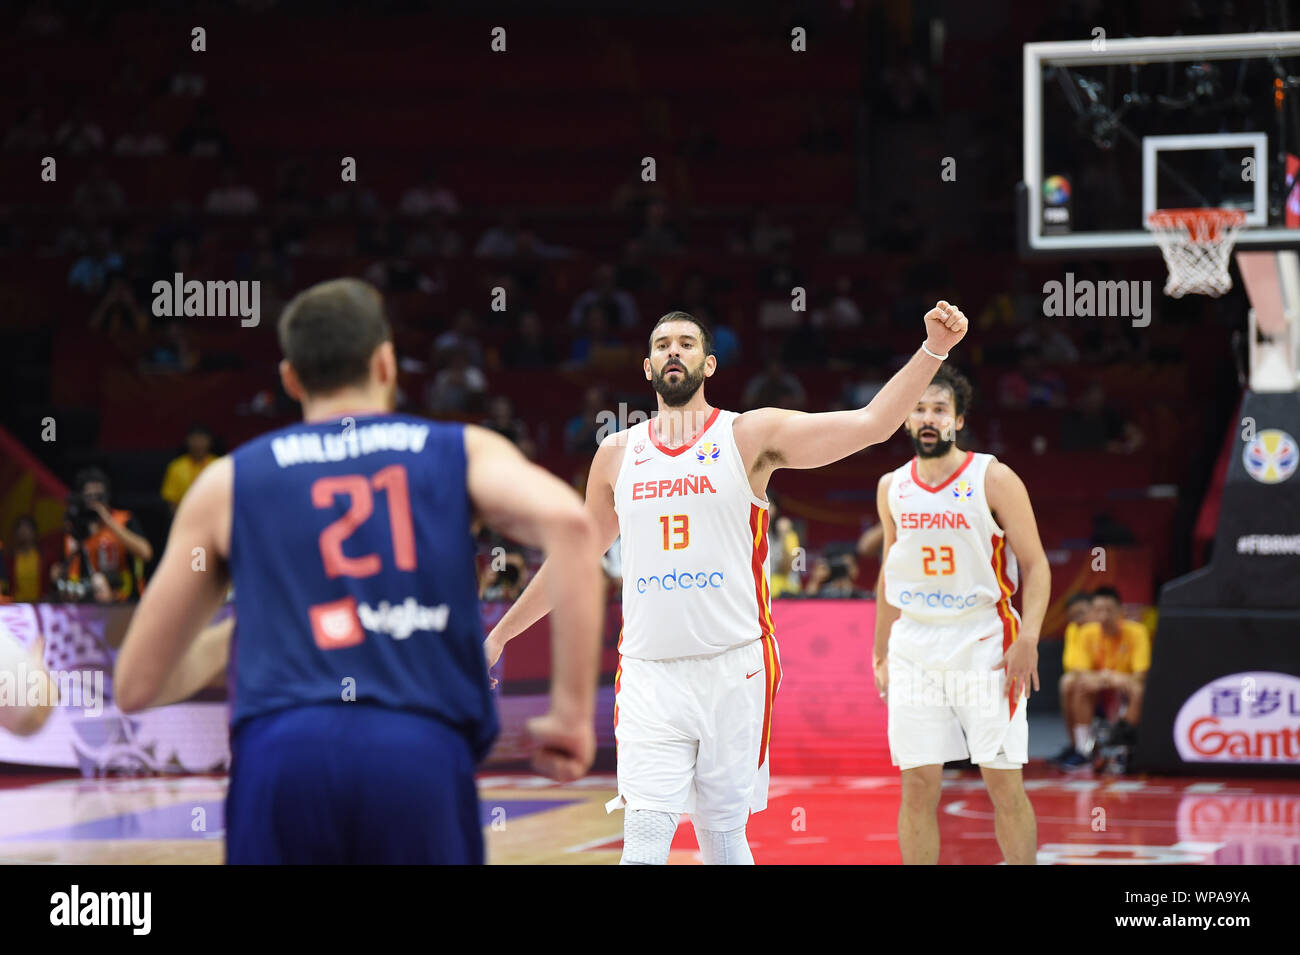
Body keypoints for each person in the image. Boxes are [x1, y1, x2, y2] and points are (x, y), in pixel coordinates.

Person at [114, 277, 603, 864]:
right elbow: (574, 529)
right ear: (386, 363)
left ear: (291, 378)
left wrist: (257, 625)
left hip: (281, 759)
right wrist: (572, 714)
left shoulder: (227, 481)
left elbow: (137, 685)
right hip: (417, 753)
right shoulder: (460, 450)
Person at [486, 302, 970, 865]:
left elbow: (871, 425)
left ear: (709, 364)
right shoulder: (617, 455)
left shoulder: (749, 435)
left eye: (686, 343)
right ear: (646, 367)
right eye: (662, 344)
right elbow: (573, 560)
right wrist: (501, 634)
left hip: (735, 668)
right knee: (643, 841)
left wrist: (933, 348)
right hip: (648, 674)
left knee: (721, 837)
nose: (674, 351)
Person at [873, 365, 1049, 865]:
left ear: (958, 419)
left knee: (1002, 780)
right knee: (917, 784)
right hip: (914, 644)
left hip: (984, 639)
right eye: (920, 408)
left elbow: (1036, 567)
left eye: (940, 409)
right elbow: (890, 575)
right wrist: (879, 652)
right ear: (906, 418)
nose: (929, 417)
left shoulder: (992, 477)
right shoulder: (891, 487)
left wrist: (1029, 637)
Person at [1056, 585, 1150, 768]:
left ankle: (1122, 745)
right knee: (1076, 685)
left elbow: (1140, 674)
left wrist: (1112, 678)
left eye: (1109, 610)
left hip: (1125, 684)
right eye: (1099, 610)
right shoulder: (1086, 632)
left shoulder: (1137, 632)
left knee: (1138, 689)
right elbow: (1080, 671)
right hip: (1100, 684)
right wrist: (1106, 678)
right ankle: (1082, 750)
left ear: (1120, 611)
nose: (1104, 616)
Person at [52, 467, 153, 602]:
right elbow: (68, 569)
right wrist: (58, 573)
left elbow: (146, 553)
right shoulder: (74, 528)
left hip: (125, 600)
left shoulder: (124, 519)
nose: (94, 501)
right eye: (89, 496)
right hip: (87, 603)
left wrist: (107, 520)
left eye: (98, 496)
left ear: (107, 496)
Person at [1052, 592, 1096, 767]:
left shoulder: (1096, 630)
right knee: (1067, 683)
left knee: (1073, 684)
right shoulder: (1072, 630)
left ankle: (1084, 750)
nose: (1078, 619)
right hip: (1082, 679)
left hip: (1101, 682)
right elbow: (1072, 663)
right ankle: (1076, 746)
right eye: (1073, 616)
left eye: (1082, 613)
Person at [161, 425, 218, 513]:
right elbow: (171, 500)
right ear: (187, 441)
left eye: (202, 439)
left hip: (214, 515)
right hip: (185, 515)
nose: (198, 444)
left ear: (209, 441)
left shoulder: (218, 465)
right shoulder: (176, 466)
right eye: (194, 439)